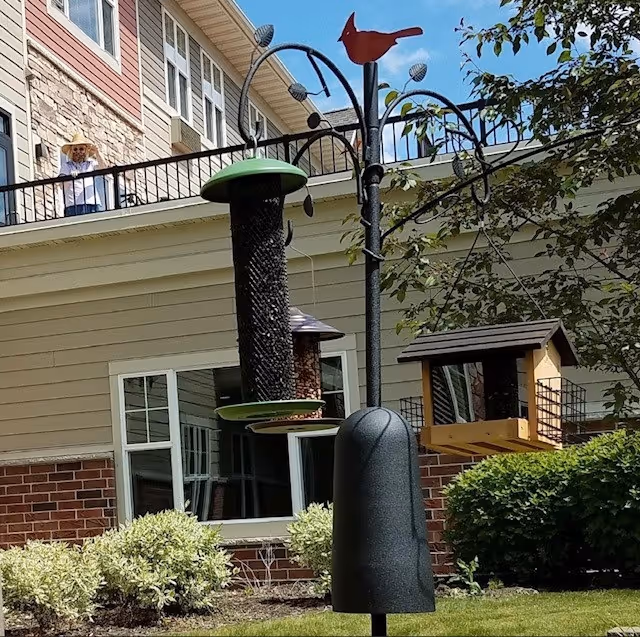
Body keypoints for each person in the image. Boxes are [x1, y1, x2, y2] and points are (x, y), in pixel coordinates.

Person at [59, 132, 107, 216]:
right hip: (73, 204)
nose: (78, 151)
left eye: (81, 149)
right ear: (71, 151)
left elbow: (104, 168)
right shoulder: (66, 166)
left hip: (92, 203)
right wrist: (70, 177)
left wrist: (97, 153)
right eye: (75, 149)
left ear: (85, 151)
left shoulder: (90, 164)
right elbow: (61, 185)